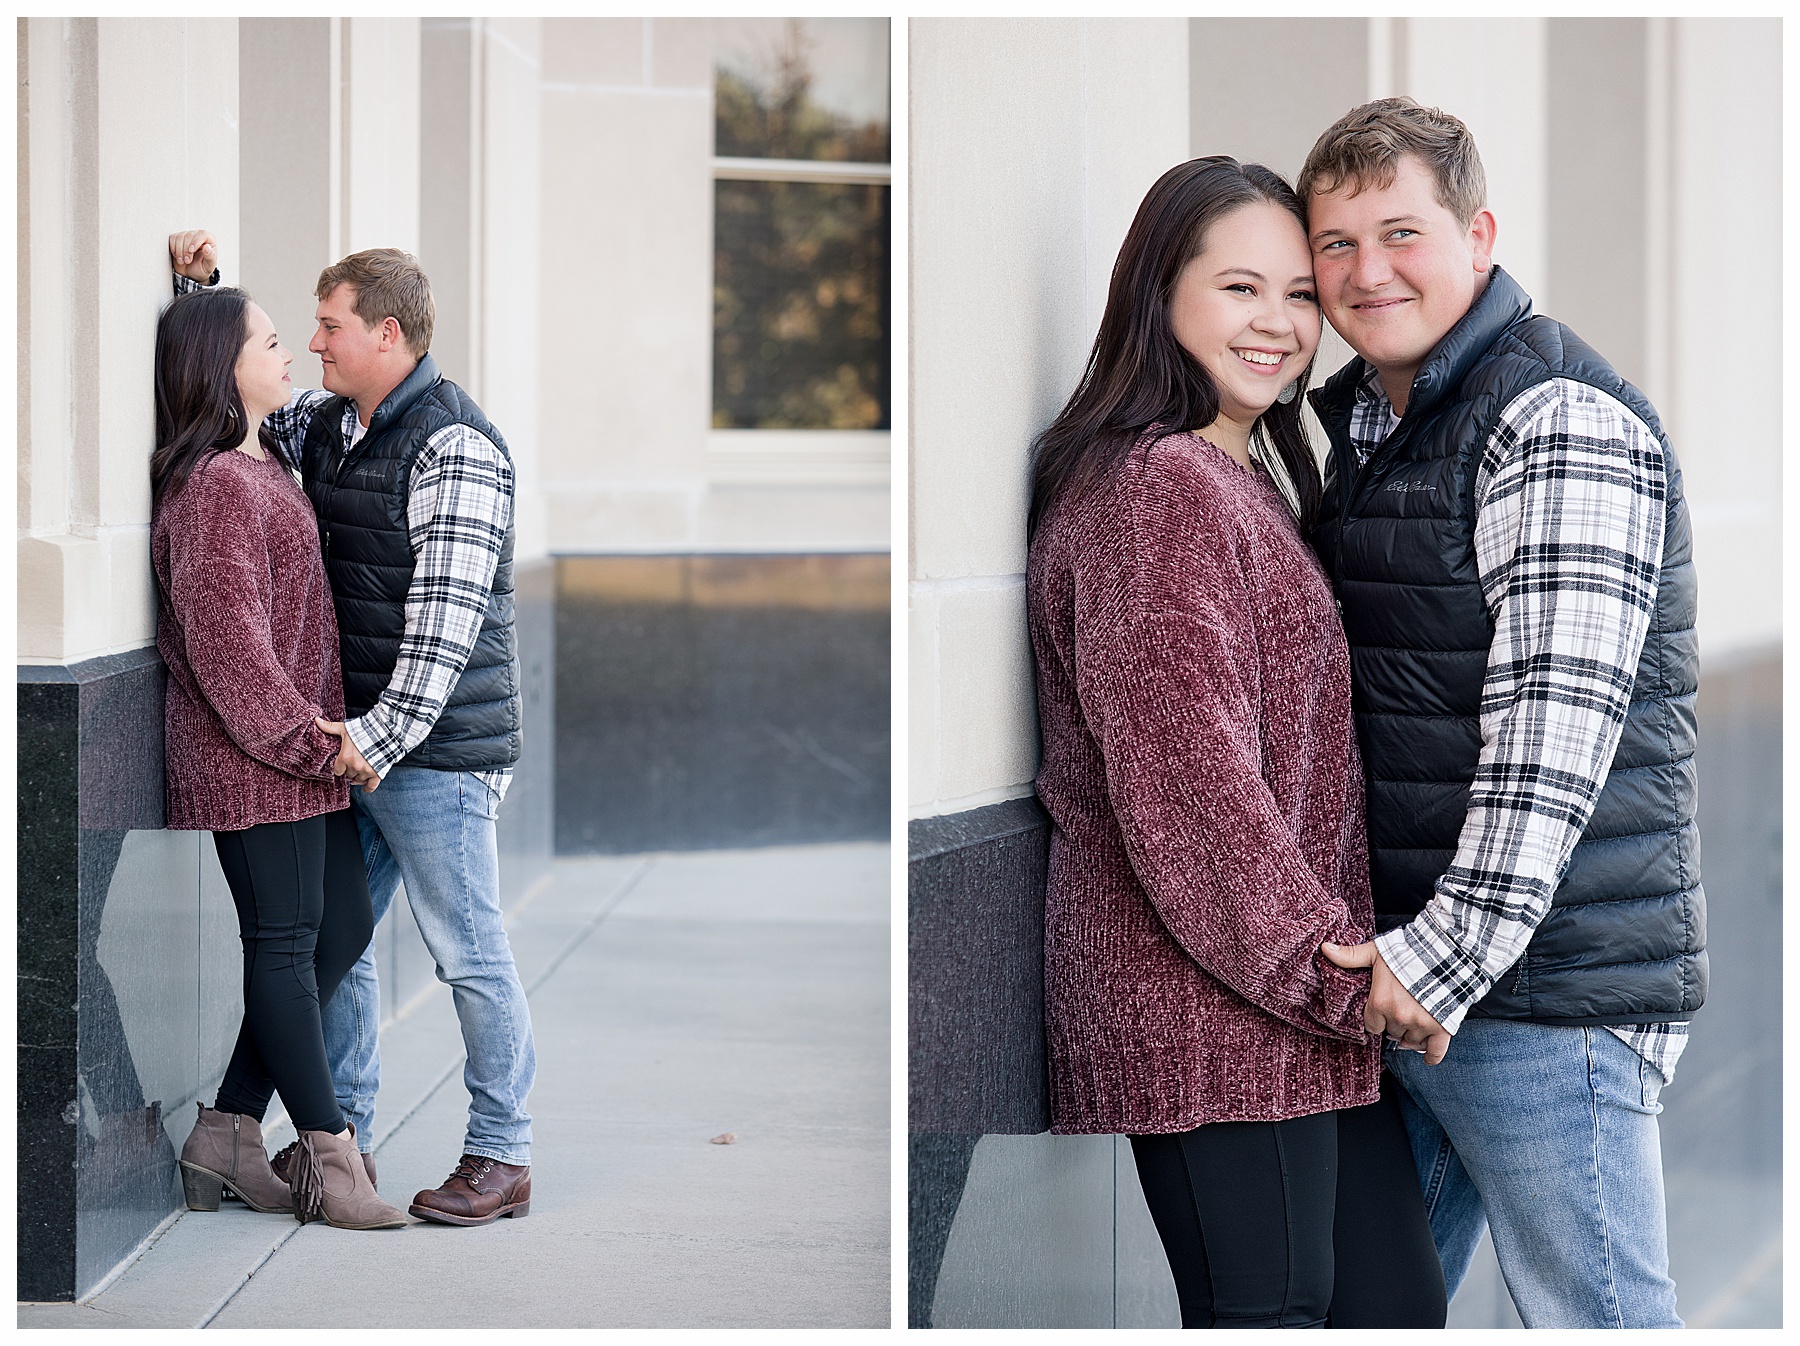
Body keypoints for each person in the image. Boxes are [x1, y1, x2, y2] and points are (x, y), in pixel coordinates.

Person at [1299, 98, 1703, 1329]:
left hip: (1530, 997)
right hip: (1421, 981)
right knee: (1363, 1311)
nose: (1368, 273)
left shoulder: (1554, 418)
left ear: (1479, 236)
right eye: (1336, 245)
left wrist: (1442, 956)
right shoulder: (1373, 417)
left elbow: (1556, 724)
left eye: (1401, 233)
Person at [1025, 157, 1446, 1329]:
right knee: (1270, 1306)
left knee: (1390, 1306)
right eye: (1239, 289)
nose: (1279, 323)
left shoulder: (1234, 475)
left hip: (1298, 1007)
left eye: (1299, 295)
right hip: (1214, 1003)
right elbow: (1188, 777)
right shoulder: (1157, 488)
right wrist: (1332, 972)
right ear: (1159, 297)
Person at [170, 230, 536, 1228]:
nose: (317, 345)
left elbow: (445, 630)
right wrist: (191, 295)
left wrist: (374, 738)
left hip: (431, 750)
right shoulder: (329, 428)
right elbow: (229, 395)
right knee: (339, 944)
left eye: (328, 326)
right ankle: (350, 1142)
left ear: (385, 331)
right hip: (341, 740)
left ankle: (504, 1151)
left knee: (468, 948)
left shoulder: (456, 444)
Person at [153, 275, 408, 1230]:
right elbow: (231, 650)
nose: (289, 353)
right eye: (267, 344)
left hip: (302, 758)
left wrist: (200, 286)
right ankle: (332, 1159)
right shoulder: (216, 485)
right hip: (257, 763)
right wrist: (317, 746)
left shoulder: (256, 464)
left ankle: (224, 1131)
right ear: (222, 368)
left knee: (337, 931)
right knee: (289, 946)